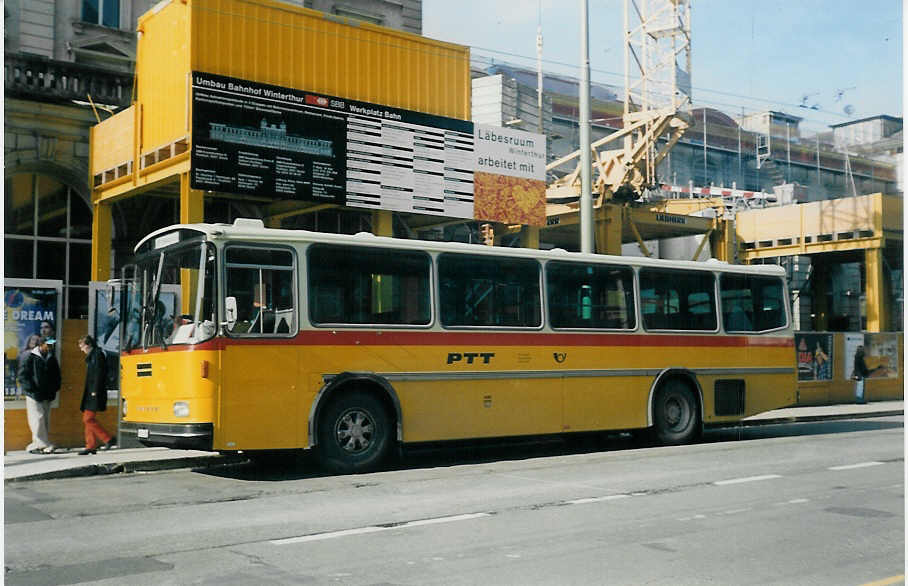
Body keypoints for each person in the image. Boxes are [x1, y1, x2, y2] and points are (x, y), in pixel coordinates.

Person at [17, 336, 61, 454]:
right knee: (38, 419)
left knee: (45, 419)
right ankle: (42, 444)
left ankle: (38, 444)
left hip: (47, 394)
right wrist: (32, 390)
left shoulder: (51, 357)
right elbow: (22, 376)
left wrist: (54, 388)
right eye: (49, 345)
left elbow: (57, 375)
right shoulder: (29, 357)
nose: (51, 347)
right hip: (34, 394)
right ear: (41, 345)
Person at [76, 335, 116, 455]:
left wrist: (94, 391)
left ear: (88, 345)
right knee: (89, 419)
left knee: (87, 418)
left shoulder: (97, 355)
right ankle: (91, 446)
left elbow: (99, 374)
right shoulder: (93, 356)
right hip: (91, 392)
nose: (81, 349)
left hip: (94, 392)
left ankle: (108, 439)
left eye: (81, 346)